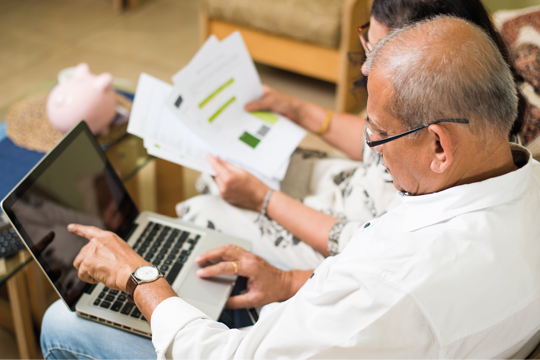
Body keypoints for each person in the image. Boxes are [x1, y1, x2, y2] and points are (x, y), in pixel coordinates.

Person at [42, 16, 540, 359]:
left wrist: (141, 280)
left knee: (60, 325)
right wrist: (288, 283)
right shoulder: (524, 180)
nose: (371, 146)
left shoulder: (396, 284)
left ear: (438, 146)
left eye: (377, 132)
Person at [176, 0, 529, 272]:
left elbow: (368, 245)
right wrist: (300, 111)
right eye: (367, 42)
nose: (363, 67)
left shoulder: (431, 182)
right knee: (232, 169)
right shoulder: (467, 108)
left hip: (348, 235)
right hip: (353, 189)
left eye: (376, 54)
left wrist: (264, 199)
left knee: (203, 209)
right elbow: (375, 144)